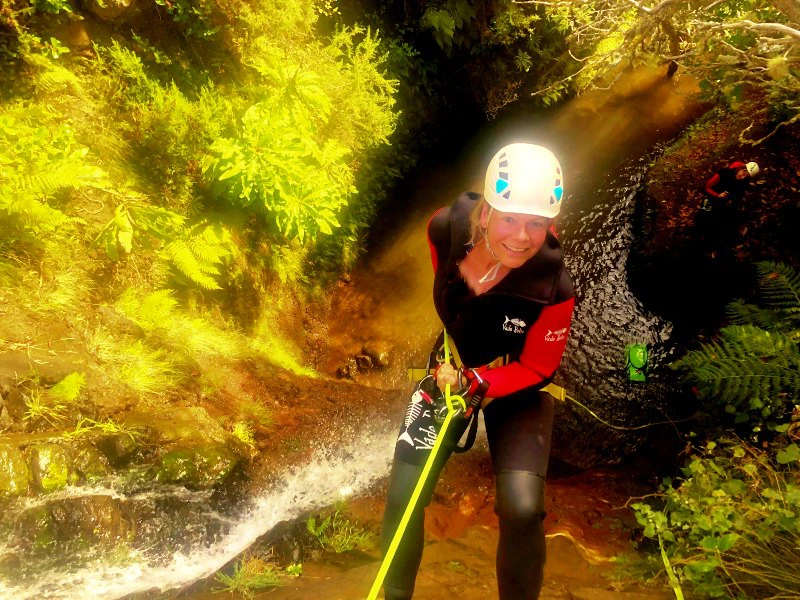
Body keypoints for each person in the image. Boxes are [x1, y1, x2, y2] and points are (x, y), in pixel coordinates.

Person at [381, 143, 575, 600]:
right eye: (509, 218)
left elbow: (539, 366)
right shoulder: (445, 228)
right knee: (403, 499)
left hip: (517, 382)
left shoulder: (554, 288)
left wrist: (482, 383)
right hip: (454, 362)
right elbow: (446, 283)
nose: (522, 237)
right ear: (485, 212)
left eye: (537, 224)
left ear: (552, 225)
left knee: (523, 508)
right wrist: (456, 361)